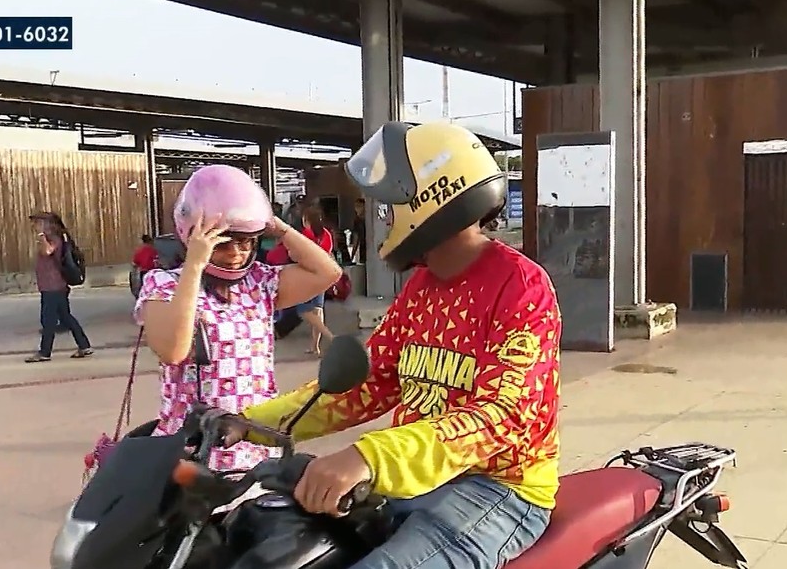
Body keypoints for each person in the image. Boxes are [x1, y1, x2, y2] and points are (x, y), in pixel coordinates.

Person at [222, 122, 562, 569]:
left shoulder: (520, 286)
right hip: (418, 481)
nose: (382, 215)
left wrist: (369, 455)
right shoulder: (422, 286)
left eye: (390, 203)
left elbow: (502, 419)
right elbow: (369, 384)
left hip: (499, 491)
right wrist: (243, 423)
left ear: (430, 199)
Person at [135, 164, 341, 472]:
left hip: (254, 447)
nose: (236, 252)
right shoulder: (163, 285)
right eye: (223, 242)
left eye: (245, 242)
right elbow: (173, 350)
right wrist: (194, 264)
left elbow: (328, 272)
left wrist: (280, 228)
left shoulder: (259, 282)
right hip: (193, 451)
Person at [25, 212, 93, 363]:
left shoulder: (54, 238)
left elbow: (47, 251)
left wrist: (42, 236)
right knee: (66, 317)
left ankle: (45, 352)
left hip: (53, 286)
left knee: (48, 320)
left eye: (36, 223)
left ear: (45, 224)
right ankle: (84, 345)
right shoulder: (56, 237)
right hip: (54, 285)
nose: (33, 226)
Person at [296, 205, 336, 356]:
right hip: (324, 275)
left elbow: (299, 254)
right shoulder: (326, 234)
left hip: (308, 274)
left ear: (307, 220)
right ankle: (315, 347)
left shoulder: (305, 234)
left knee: (301, 309)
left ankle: (329, 336)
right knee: (317, 310)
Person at [350, 197, 367, 265]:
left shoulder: (368, 219)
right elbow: (356, 239)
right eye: (356, 207)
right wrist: (353, 254)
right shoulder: (357, 221)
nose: (357, 209)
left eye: (359, 206)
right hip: (363, 248)